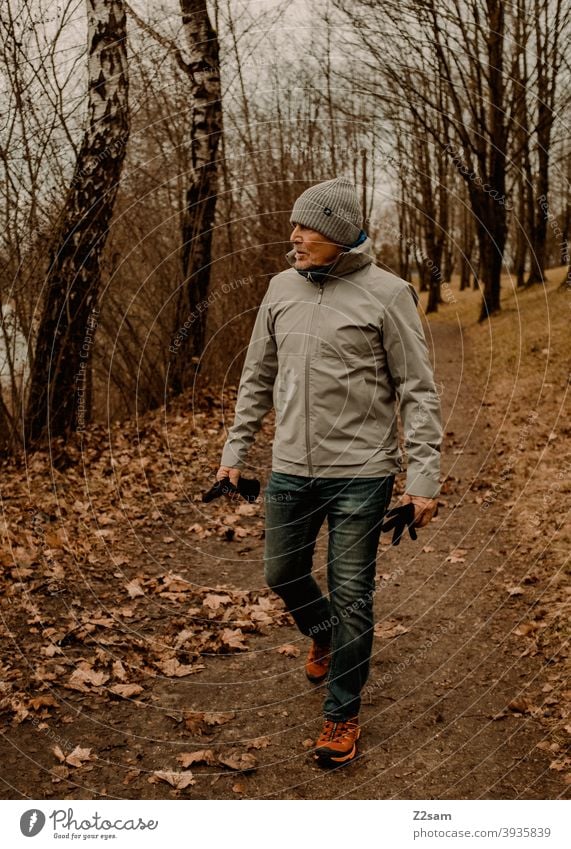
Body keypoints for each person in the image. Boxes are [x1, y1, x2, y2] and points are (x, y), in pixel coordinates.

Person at [216, 177, 442, 765]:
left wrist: (422, 479)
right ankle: (321, 632)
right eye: (293, 225)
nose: (293, 236)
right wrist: (234, 452)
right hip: (291, 468)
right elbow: (256, 377)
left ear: (339, 235)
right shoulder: (280, 289)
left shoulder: (388, 294)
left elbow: (418, 390)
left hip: (361, 475)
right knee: (282, 573)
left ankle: (341, 716)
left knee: (353, 597)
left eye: (305, 227)